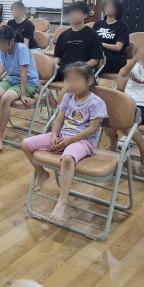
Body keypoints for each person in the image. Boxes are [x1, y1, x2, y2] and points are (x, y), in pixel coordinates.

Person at [21, 63, 107, 221]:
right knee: (25, 144)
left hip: (83, 141)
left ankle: (62, 200)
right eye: (68, 80)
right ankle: (42, 173)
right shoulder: (68, 97)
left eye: (76, 80)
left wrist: (70, 140)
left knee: (67, 159)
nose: (71, 84)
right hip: (62, 136)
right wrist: (54, 135)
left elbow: (93, 129)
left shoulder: (96, 102)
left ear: (89, 81)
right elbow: (59, 120)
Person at [53, 1, 103, 81]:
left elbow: (95, 60)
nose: (73, 15)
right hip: (63, 69)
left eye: (76, 12)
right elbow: (57, 56)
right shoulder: (63, 35)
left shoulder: (92, 35)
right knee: (39, 80)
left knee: (72, 82)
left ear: (85, 15)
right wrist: (54, 63)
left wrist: (79, 68)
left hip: (82, 70)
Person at [93, 0, 129, 74]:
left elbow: (118, 47)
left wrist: (100, 44)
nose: (107, 8)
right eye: (106, 6)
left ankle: (90, 71)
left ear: (117, 9)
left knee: (99, 50)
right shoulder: (98, 24)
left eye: (111, 6)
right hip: (99, 55)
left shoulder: (122, 26)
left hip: (116, 58)